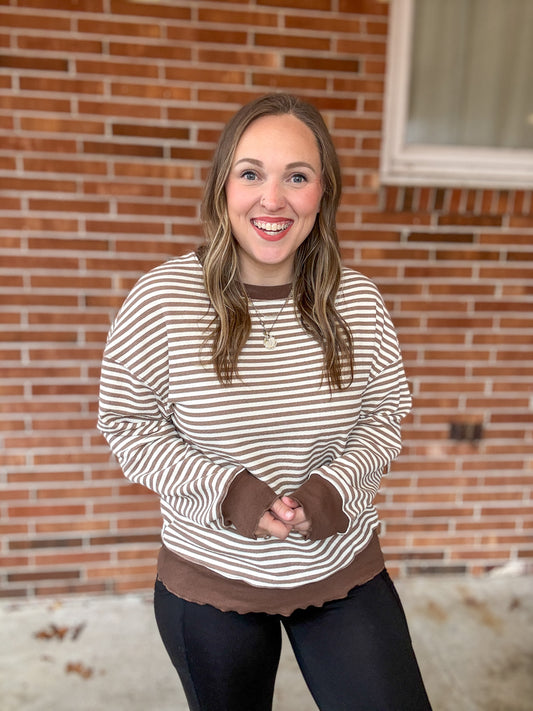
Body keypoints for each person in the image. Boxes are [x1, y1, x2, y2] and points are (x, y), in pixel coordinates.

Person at [98, 93, 432, 711]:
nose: (272, 200)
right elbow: (129, 424)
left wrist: (330, 493)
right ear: (224, 184)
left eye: (296, 177)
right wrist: (233, 495)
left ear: (322, 193)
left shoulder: (357, 301)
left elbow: (384, 415)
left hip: (340, 567)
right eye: (251, 173)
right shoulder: (164, 299)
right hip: (210, 582)